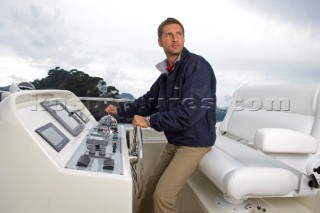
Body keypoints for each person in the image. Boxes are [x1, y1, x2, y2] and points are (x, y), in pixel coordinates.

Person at [105, 17, 216, 213]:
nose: (175, 39)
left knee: (163, 197)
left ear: (184, 38)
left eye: (179, 34)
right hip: (175, 140)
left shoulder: (198, 66)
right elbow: (149, 101)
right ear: (160, 41)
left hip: (194, 143)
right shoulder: (166, 73)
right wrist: (120, 111)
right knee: (149, 190)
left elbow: (189, 113)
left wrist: (149, 121)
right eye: (169, 35)